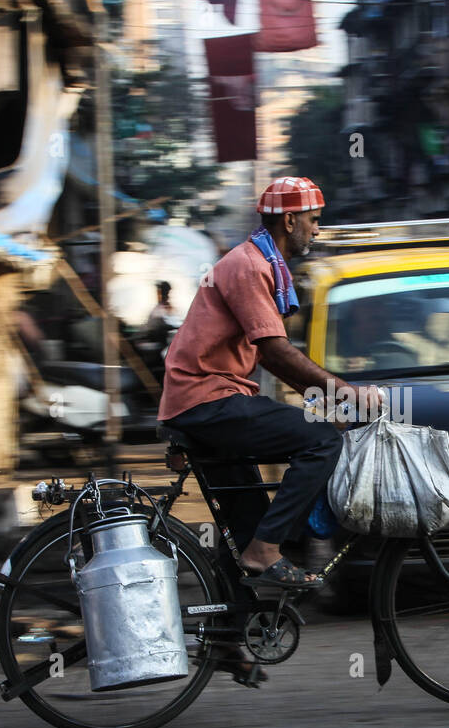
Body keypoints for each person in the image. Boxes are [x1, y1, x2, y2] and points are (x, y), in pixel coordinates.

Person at [158, 175, 385, 589]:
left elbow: (265, 353)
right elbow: (276, 349)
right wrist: (346, 392)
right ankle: (269, 549)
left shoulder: (260, 264)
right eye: (314, 220)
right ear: (290, 221)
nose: (317, 230)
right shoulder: (250, 266)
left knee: (246, 532)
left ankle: (230, 645)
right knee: (321, 442)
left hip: (209, 401)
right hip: (210, 401)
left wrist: (323, 398)